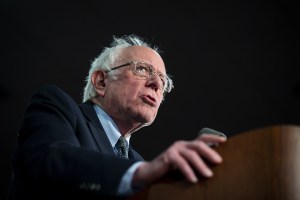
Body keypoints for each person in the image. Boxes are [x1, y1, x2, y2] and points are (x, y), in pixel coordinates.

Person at [8, 34, 226, 200]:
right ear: (102, 82)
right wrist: (141, 174)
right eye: (142, 69)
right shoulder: (57, 106)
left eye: (163, 80)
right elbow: (53, 160)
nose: (157, 84)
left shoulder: (138, 163)